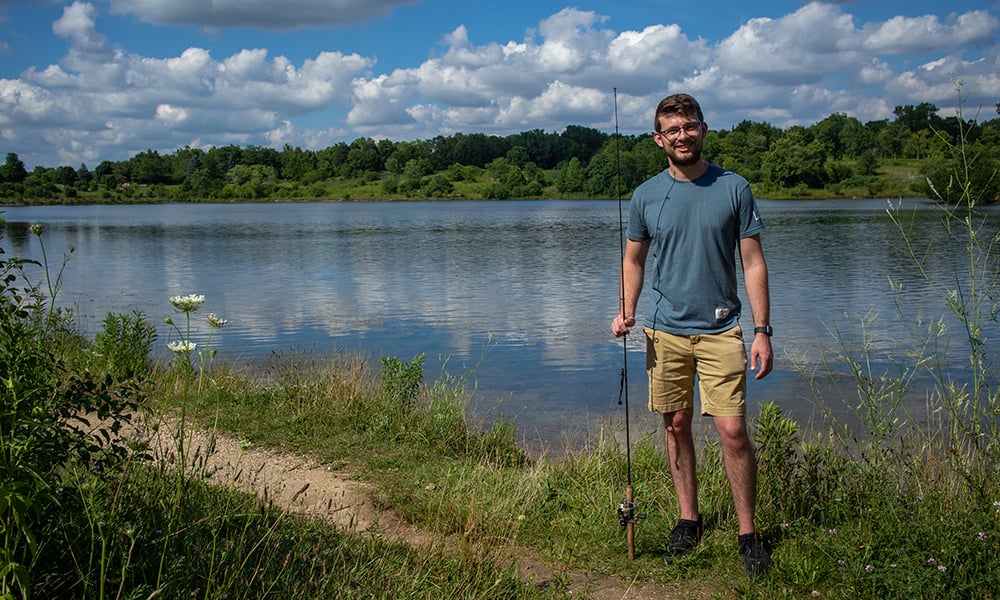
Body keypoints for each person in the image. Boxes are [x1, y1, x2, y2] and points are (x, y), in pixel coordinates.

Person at [610, 93, 773, 577]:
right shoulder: (644, 195)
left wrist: (762, 330)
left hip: (724, 328)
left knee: (733, 430)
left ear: (703, 129)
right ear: (659, 139)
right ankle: (689, 520)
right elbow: (633, 260)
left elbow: (753, 262)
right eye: (672, 129)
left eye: (690, 126)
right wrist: (626, 310)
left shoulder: (734, 188)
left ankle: (748, 533)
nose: (682, 136)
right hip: (664, 331)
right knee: (676, 425)